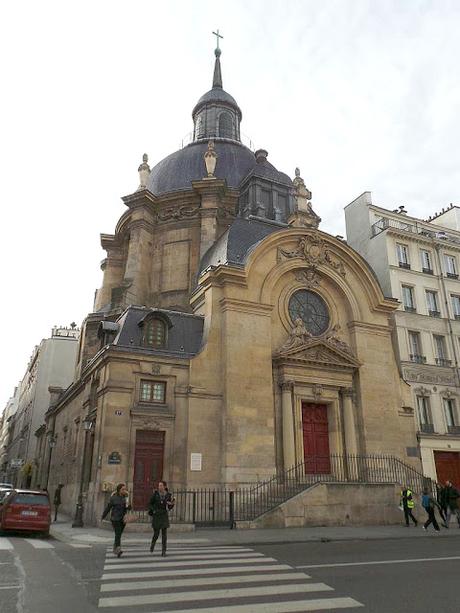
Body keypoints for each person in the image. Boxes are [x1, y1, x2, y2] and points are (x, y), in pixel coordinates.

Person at [101, 483, 131, 557]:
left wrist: (129, 506)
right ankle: (118, 549)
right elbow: (108, 508)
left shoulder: (125, 498)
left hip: (123, 519)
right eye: (123, 489)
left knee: (119, 534)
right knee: (118, 534)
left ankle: (115, 548)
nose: (124, 490)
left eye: (125, 489)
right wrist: (103, 516)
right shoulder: (113, 498)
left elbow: (128, 508)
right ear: (119, 490)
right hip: (115, 519)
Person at [148, 480, 175, 556]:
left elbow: (169, 507)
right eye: (159, 485)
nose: (159, 487)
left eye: (161, 485)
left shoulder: (168, 495)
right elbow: (150, 503)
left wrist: (172, 504)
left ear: (165, 486)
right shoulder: (155, 494)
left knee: (164, 534)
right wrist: (153, 510)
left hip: (163, 514)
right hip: (157, 514)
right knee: (156, 533)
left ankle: (164, 551)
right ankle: (153, 544)